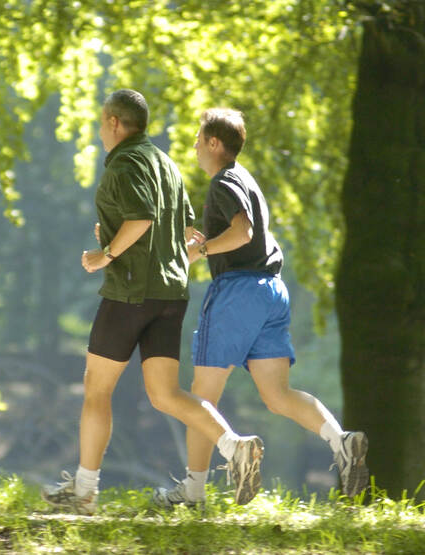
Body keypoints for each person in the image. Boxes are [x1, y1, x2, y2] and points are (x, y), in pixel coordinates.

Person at [41, 91, 264, 515]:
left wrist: (105, 254)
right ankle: (234, 447)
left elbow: (141, 219)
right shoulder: (165, 163)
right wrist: (114, 231)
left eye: (101, 123)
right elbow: (182, 231)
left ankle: (84, 491)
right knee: (165, 394)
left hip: (130, 292)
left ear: (112, 122)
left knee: (96, 388)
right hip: (170, 293)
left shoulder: (125, 163)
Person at [153, 108, 369, 509]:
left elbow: (243, 232)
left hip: (238, 291)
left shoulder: (222, 182)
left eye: (199, 140)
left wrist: (199, 250)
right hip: (272, 290)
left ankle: (194, 491)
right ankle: (341, 442)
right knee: (278, 394)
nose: (195, 147)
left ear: (215, 143)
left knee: (202, 397)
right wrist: (204, 242)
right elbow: (245, 232)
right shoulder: (245, 179)